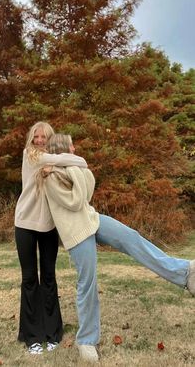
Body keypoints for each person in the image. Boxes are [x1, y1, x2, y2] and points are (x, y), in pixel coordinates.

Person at [39, 133, 195, 363]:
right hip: (76, 231)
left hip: (92, 219)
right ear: (63, 148)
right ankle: (87, 340)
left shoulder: (74, 166)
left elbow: (88, 189)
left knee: (131, 238)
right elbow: (75, 201)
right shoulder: (50, 176)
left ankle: (185, 272)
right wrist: (74, 167)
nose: (75, 147)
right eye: (71, 145)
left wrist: (76, 166)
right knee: (88, 282)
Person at [14, 122, 88, 355]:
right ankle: (32, 336)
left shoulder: (54, 160)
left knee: (48, 277)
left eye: (43, 137)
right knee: (29, 279)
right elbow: (75, 161)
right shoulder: (30, 155)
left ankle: (52, 332)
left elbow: (78, 166)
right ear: (31, 138)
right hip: (25, 222)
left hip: (49, 225)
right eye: (35, 136)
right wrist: (61, 162)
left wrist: (56, 167)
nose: (39, 140)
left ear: (50, 138)